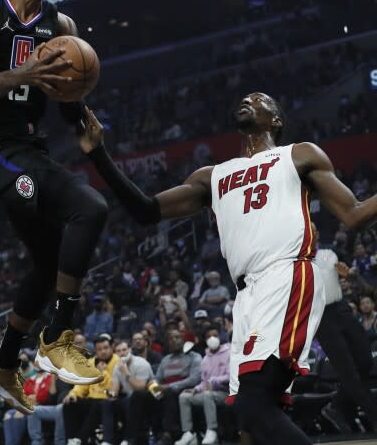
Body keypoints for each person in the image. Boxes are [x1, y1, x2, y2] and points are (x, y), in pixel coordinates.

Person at [80, 92, 377, 444]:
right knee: (249, 421)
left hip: (285, 274)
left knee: (253, 404)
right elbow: (145, 210)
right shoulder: (213, 176)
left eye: (260, 99)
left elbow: (354, 214)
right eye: (245, 98)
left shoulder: (298, 155)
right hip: (247, 294)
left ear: (276, 120)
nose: (248, 100)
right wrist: (98, 154)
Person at [0, 0, 107, 413]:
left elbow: (62, 101)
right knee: (88, 207)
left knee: (47, 261)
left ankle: (2, 361)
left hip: (28, 146)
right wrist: (31, 72)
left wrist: (81, 112)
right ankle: (58, 337)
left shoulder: (62, 24)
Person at [311, 223, 377, 432]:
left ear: (318, 233)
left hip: (341, 309)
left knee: (365, 360)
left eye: (313, 229)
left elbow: (349, 274)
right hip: (321, 318)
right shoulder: (294, 264)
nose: (310, 232)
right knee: (349, 374)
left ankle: (337, 407)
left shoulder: (327, 253)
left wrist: (348, 274)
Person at [60, 335, 119, 445]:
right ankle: (71, 440)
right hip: (91, 399)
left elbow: (113, 388)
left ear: (111, 348)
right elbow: (82, 384)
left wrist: (102, 373)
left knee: (97, 405)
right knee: (69, 403)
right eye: (99, 349)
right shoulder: (90, 363)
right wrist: (73, 393)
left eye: (106, 348)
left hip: (108, 400)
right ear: (96, 350)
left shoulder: (117, 362)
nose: (103, 352)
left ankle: (80, 438)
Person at [175, 328, 229, 445]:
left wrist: (213, 382)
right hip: (208, 394)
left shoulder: (229, 353)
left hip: (225, 393)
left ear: (220, 337)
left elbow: (231, 376)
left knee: (207, 394)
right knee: (184, 396)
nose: (212, 338)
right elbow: (204, 382)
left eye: (215, 335)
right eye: (209, 336)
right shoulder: (205, 359)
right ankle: (188, 433)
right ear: (205, 340)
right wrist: (195, 389)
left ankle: (212, 430)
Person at [109, 339, 154, 444]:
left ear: (130, 350)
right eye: (119, 351)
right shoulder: (117, 367)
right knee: (107, 404)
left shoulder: (141, 363)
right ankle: (108, 441)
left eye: (124, 350)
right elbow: (113, 393)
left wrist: (126, 373)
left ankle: (129, 439)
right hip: (130, 399)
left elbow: (140, 388)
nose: (122, 353)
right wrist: (107, 393)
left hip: (149, 398)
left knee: (134, 398)